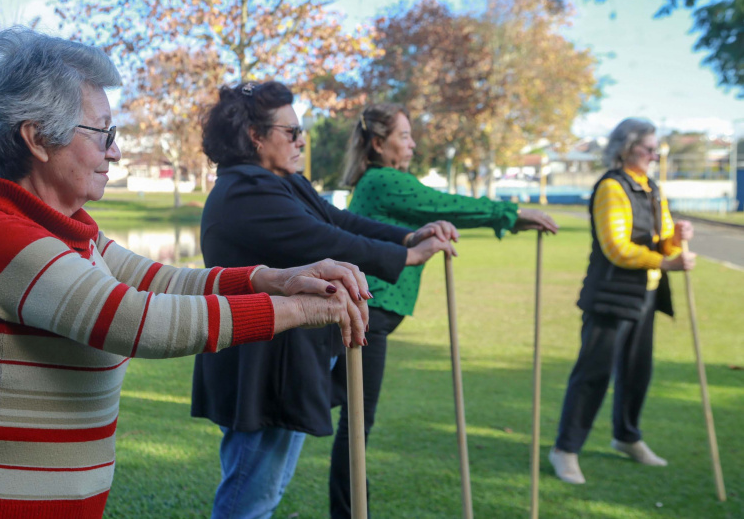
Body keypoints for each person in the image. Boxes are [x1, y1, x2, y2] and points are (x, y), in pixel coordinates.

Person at [0, 28, 370, 519]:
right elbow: (139, 321)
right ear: (37, 139)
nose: (115, 152)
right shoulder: (3, 239)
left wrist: (275, 278)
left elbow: (159, 281)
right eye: (103, 133)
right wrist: (300, 309)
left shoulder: (67, 234)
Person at [190, 82, 457, 519]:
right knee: (250, 494)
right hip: (258, 367)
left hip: (283, 360)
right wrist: (406, 256)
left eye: (302, 132)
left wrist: (409, 235)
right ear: (255, 136)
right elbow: (323, 239)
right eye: (291, 132)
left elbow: (339, 219)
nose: (301, 140)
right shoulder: (245, 191)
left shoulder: (282, 182)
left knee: (265, 487)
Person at [333, 102, 558, 518]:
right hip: (369, 314)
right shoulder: (382, 181)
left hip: (373, 314)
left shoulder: (380, 180)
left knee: (347, 411)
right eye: (404, 136)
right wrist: (512, 215)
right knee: (355, 422)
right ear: (379, 144)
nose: (413, 143)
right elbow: (442, 205)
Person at [548, 118, 695, 485]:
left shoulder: (651, 187)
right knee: (593, 374)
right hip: (610, 295)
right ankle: (565, 450)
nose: (654, 154)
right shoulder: (611, 187)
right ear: (626, 148)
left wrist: (675, 239)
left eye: (655, 148)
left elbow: (659, 242)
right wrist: (665, 261)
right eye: (648, 148)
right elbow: (616, 248)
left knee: (637, 371)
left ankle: (627, 436)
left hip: (645, 293)